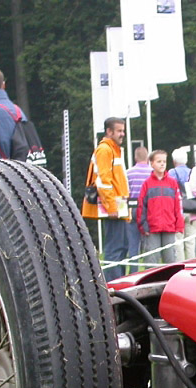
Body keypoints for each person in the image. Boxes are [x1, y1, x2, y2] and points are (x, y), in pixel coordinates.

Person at [82, 117, 130, 281]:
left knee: (122, 248)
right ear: (109, 131)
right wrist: (112, 208)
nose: (122, 134)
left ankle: (120, 282)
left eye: (123, 130)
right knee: (114, 250)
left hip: (119, 207)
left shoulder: (114, 149)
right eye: (119, 131)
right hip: (113, 208)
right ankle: (113, 286)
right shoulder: (105, 150)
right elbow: (103, 182)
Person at [136, 150, 185, 264]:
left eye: (164, 161)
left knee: (170, 260)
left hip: (169, 227)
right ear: (151, 163)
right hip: (152, 229)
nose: (162, 164)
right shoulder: (147, 184)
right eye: (159, 161)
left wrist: (179, 225)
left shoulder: (172, 183)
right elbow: (141, 207)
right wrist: (143, 226)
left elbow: (178, 206)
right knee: (152, 260)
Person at [125, 146, 152, 264]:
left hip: (132, 208)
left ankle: (133, 270)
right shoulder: (152, 173)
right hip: (147, 209)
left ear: (135, 157)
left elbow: (126, 192)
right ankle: (148, 268)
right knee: (148, 243)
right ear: (147, 157)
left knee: (133, 244)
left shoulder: (128, 172)